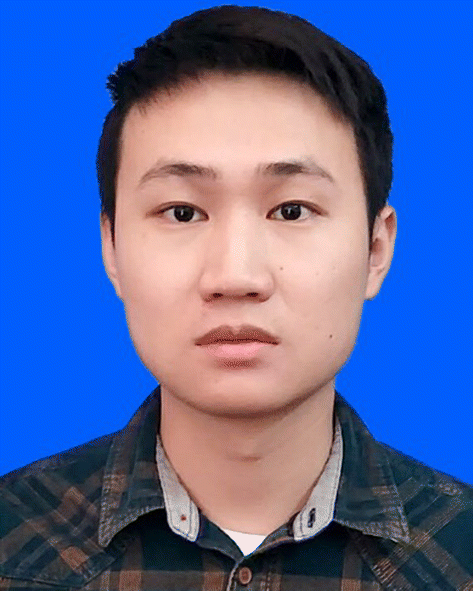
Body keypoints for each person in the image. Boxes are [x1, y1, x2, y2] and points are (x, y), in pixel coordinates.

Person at [1, 4, 472, 588]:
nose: (236, 274)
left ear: (376, 249)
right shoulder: (13, 543)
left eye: (291, 210)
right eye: (182, 212)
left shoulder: (459, 554)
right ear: (112, 248)